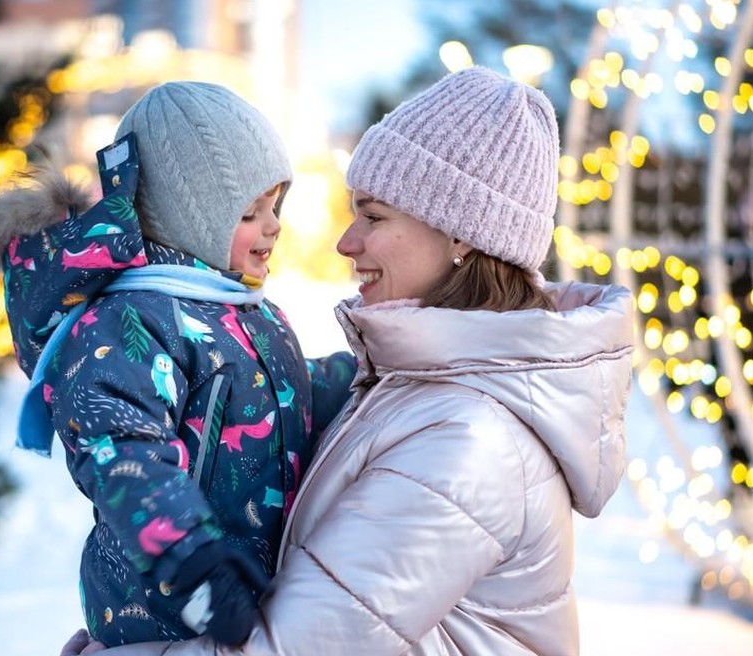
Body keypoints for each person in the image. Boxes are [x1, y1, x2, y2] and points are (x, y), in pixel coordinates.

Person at [61, 66, 635, 656]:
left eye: (375, 216)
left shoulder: (468, 441)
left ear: (461, 235)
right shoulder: (420, 388)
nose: (345, 242)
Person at [0, 82, 356, 648]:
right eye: (248, 211)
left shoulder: (247, 314)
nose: (273, 226)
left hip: (242, 599)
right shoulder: (130, 320)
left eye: (274, 205)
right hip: (159, 611)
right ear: (188, 217)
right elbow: (121, 447)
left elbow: (287, 397)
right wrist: (190, 561)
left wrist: (366, 368)